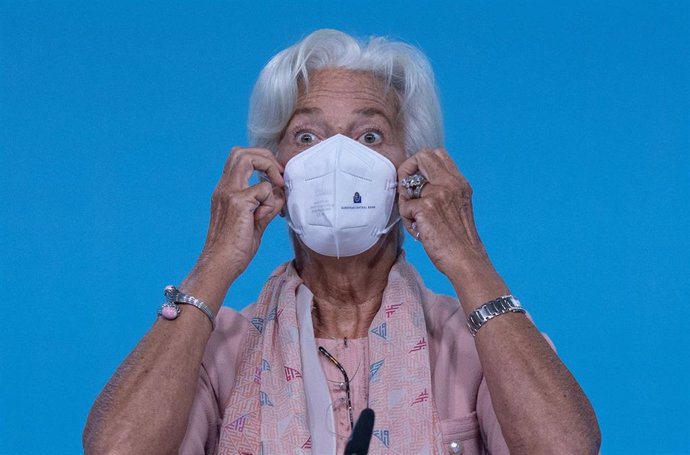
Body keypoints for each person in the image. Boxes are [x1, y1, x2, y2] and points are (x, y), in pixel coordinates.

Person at [83, 29, 600, 455]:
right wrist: (213, 264)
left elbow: (567, 451)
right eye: (306, 137)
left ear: (411, 169)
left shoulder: (475, 341)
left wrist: (469, 260)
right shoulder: (219, 347)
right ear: (275, 171)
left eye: (370, 136)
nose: (336, 158)